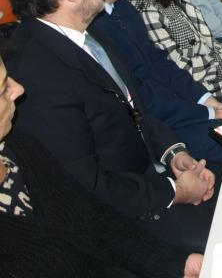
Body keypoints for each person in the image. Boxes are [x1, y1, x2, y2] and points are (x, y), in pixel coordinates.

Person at [2, 0, 218, 251]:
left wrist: (175, 152)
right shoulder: (37, 73)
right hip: (121, 225)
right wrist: (175, 190)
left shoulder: (90, 33)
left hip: (150, 181)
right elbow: (85, 185)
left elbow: (136, 110)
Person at [0, 46, 204, 277]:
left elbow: (92, 216)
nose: (19, 89)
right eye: (4, 88)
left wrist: (176, 264)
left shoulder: (18, 145)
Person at [89, 0, 222, 162]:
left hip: (178, 107)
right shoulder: (96, 28)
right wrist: (207, 112)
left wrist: (207, 100)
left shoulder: (122, 8)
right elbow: (142, 95)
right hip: (161, 129)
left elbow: (160, 62)